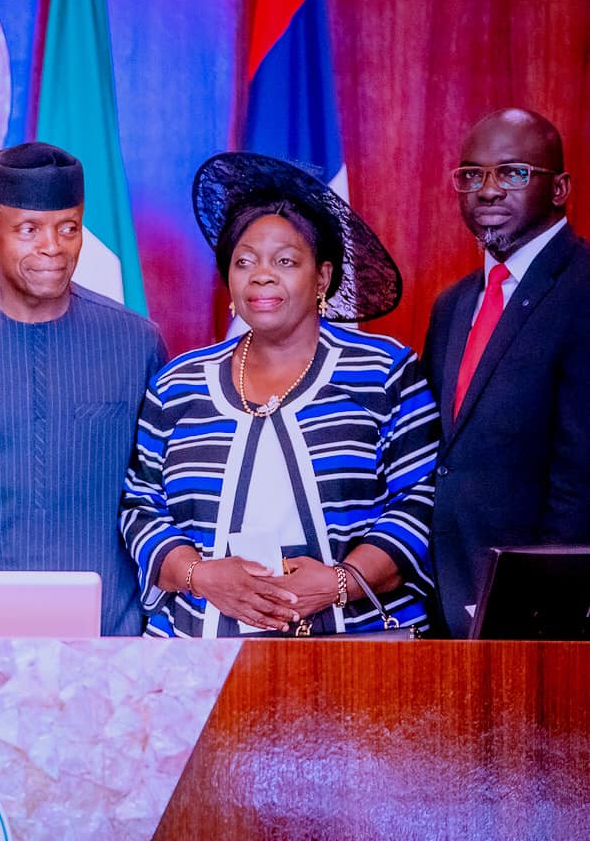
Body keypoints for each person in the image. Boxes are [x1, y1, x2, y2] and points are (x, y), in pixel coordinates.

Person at [121, 152, 439, 637]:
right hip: (194, 656)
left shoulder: (384, 371)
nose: (262, 275)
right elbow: (140, 503)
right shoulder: (177, 382)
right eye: (244, 261)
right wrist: (200, 576)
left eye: (285, 261)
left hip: (363, 657)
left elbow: (421, 500)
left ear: (323, 277)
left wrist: (340, 582)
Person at [0, 142, 165, 636]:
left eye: (68, 228)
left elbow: (158, 490)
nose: (52, 247)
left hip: (108, 637)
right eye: (28, 229)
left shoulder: (134, 342)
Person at [423, 107, 590, 637]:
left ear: (560, 188)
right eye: (472, 175)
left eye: (513, 172)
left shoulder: (584, 289)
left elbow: (581, 474)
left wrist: (541, 602)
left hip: (539, 612)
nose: (487, 190)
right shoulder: (452, 306)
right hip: (445, 596)